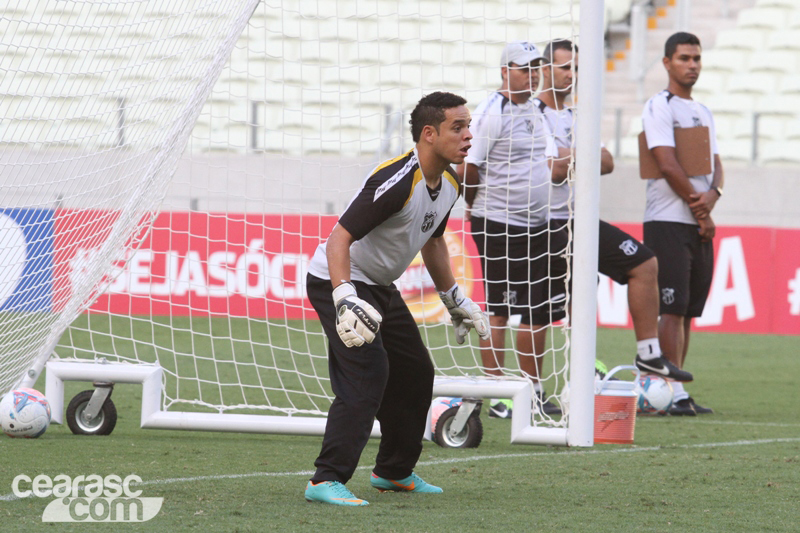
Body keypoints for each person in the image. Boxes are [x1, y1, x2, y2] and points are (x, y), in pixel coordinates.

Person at [303, 91, 490, 506]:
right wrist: (344, 297)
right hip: (339, 280)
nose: (468, 136)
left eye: (468, 126)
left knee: (416, 372)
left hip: (379, 286)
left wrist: (453, 298)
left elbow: (434, 242)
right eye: (458, 127)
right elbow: (338, 240)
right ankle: (325, 479)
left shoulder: (451, 183)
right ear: (429, 134)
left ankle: (393, 471)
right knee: (368, 373)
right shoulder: (397, 180)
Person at [535, 39, 693, 385]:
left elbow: (606, 163)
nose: (572, 75)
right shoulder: (532, 115)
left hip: (578, 221)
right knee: (540, 310)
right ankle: (533, 386)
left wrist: (569, 154)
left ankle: (648, 354)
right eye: (565, 67)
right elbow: (554, 171)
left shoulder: (577, 115)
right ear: (545, 69)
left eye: (577, 68)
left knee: (643, 264)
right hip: (543, 221)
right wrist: (580, 154)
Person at [460, 41, 568, 418]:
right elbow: (469, 167)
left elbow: (548, 162)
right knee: (499, 308)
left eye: (536, 68)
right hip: (498, 224)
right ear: (505, 71)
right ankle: (497, 393)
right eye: (525, 68)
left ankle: (532, 389)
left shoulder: (534, 110)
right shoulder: (492, 112)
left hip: (538, 224)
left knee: (538, 309)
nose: (532, 74)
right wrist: (472, 204)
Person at [641, 32, 724, 415]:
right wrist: (702, 211)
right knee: (671, 307)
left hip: (696, 221)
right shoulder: (660, 105)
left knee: (688, 309)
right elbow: (666, 162)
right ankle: (665, 391)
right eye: (684, 58)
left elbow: (716, 164)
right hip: (668, 220)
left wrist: (715, 194)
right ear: (666, 62)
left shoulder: (703, 111)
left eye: (696, 58)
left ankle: (678, 391)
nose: (692, 65)